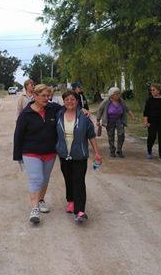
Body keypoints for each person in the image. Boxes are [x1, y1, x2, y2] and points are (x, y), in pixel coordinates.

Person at [13, 84, 63, 224]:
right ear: (35, 96)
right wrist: (17, 156)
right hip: (31, 152)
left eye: (49, 96)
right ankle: (34, 209)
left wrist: (82, 110)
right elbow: (18, 135)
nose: (47, 98)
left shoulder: (54, 109)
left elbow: (68, 110)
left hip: (50, 152)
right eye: (44, 96)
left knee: (45, 179)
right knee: (36, 178)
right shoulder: (26, 114)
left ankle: (41, 200)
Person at [56, 90, 102, 223]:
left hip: (79, 154)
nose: (70, 102)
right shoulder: (58, 114)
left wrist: (97, 153)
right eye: (67, 100)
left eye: (72, 99)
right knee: (68, 179)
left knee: (79, 181)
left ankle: (80, 210)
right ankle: (70, 201)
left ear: (77, 101)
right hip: (64, 154)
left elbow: (91, 136)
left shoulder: (83, 116)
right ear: (63, 102)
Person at [96, 87, 137, 158]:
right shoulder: (106, 101)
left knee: (121, 135)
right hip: (109, 121)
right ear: (112, 95)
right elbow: (100, 110)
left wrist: (133, 117)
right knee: (111, 136)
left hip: (119, 120)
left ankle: (119, 150)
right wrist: (98, 120)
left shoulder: (121, 101)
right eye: (116, 94)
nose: (118, 95)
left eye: (119, 93)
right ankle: (112, 150)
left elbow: (127, 109)